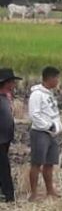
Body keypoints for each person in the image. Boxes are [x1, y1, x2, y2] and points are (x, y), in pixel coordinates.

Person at [28, 66, 62, 201]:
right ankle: (34, 193)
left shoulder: (49, 94)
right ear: (50, 78)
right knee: (37, 163)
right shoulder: (37, 95)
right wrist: (48, 126)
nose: (58, 81)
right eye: (57, 78)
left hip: (52, 134)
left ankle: (50, 190)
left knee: (50, 162)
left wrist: (57, 127)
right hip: (40, 133)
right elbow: (34, 115)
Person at [0, 68, 23, 203]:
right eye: (12, 82)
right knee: (4, 167)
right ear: (6, 83)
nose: (14, 84)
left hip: (6, 138)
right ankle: (9, 196)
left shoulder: (7, 97)